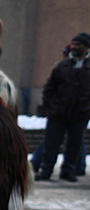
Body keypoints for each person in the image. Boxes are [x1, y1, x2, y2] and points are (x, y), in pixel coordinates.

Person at [34, 32, 90, 182]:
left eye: (78, 44)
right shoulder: (62, 65)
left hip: (80, 115)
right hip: (58, 113)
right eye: (73, 44)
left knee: (74, 145)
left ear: (86, 47)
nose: (74, 47)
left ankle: (67, 171)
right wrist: (50, 107)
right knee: (51, 143)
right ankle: (45, 170)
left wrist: (86, 110)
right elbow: (49, 88)